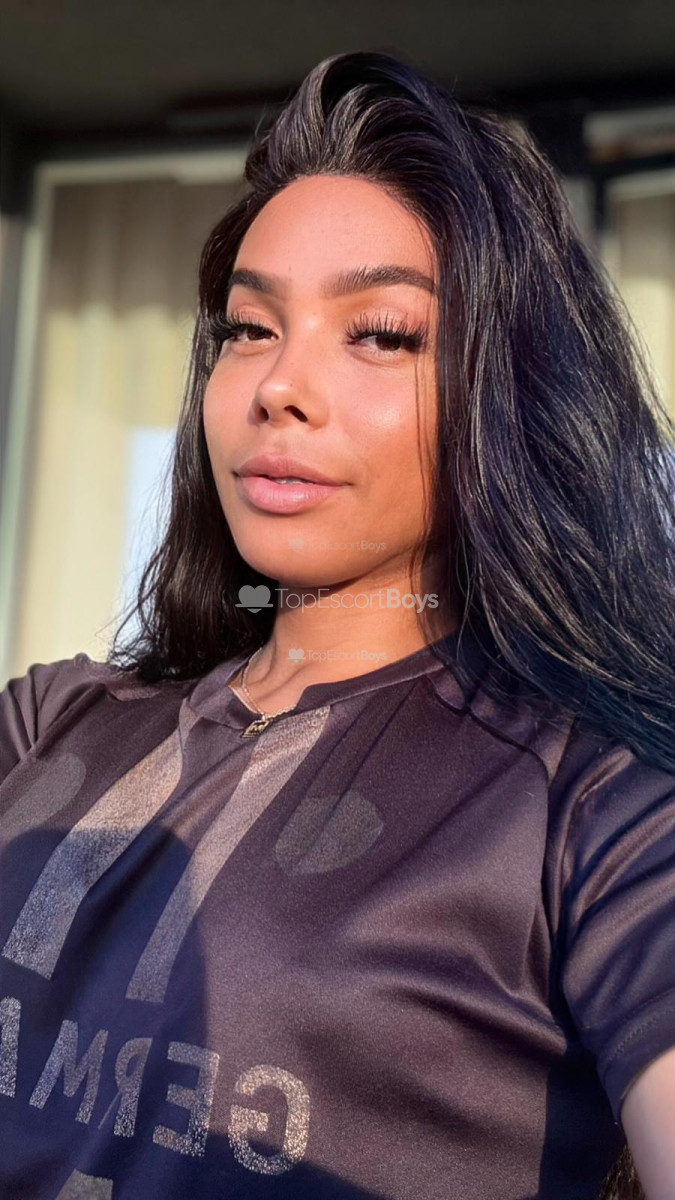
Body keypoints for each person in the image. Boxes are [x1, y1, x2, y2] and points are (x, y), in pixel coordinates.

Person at [0, 48, 673, 1200]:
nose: (279, 386)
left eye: (382, 333)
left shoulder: (598, 806)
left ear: (505, 394)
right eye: (249, 328)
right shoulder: (49, 724)